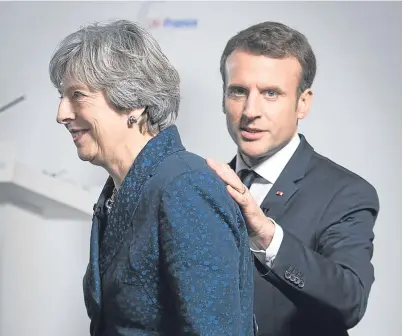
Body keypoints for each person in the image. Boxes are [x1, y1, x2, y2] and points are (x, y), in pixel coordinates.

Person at [49, 19, 255, 335]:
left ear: (133, 102)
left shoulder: (186, 188)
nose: (61, 113)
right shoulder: (120, 192)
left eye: (77, 95)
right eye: (62, 97)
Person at [207, 21, 380, 336]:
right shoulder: (202, 186)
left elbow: (350, 301)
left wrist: (268, 238)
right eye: (238, 91)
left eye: (270, 93)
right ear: (223, 98)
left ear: (303, 103)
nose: (250, 110)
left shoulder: (348, 193)